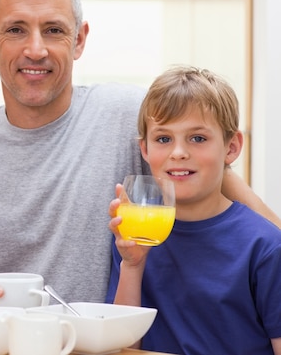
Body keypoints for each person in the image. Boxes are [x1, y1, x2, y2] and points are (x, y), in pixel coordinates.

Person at [0, 0, 279, 308]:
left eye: (53, 30)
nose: (35, 50)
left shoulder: (130, 112)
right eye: (16, 29)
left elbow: (229, 195)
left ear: (79, 40)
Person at [106, 66, 281, 355]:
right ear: (145, 150)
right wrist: (132, 267)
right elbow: (124, 347)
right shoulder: (133, 237)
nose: (178, 153)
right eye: (163, 139)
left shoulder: (265, 246)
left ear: (231, 147)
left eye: (197, 138)